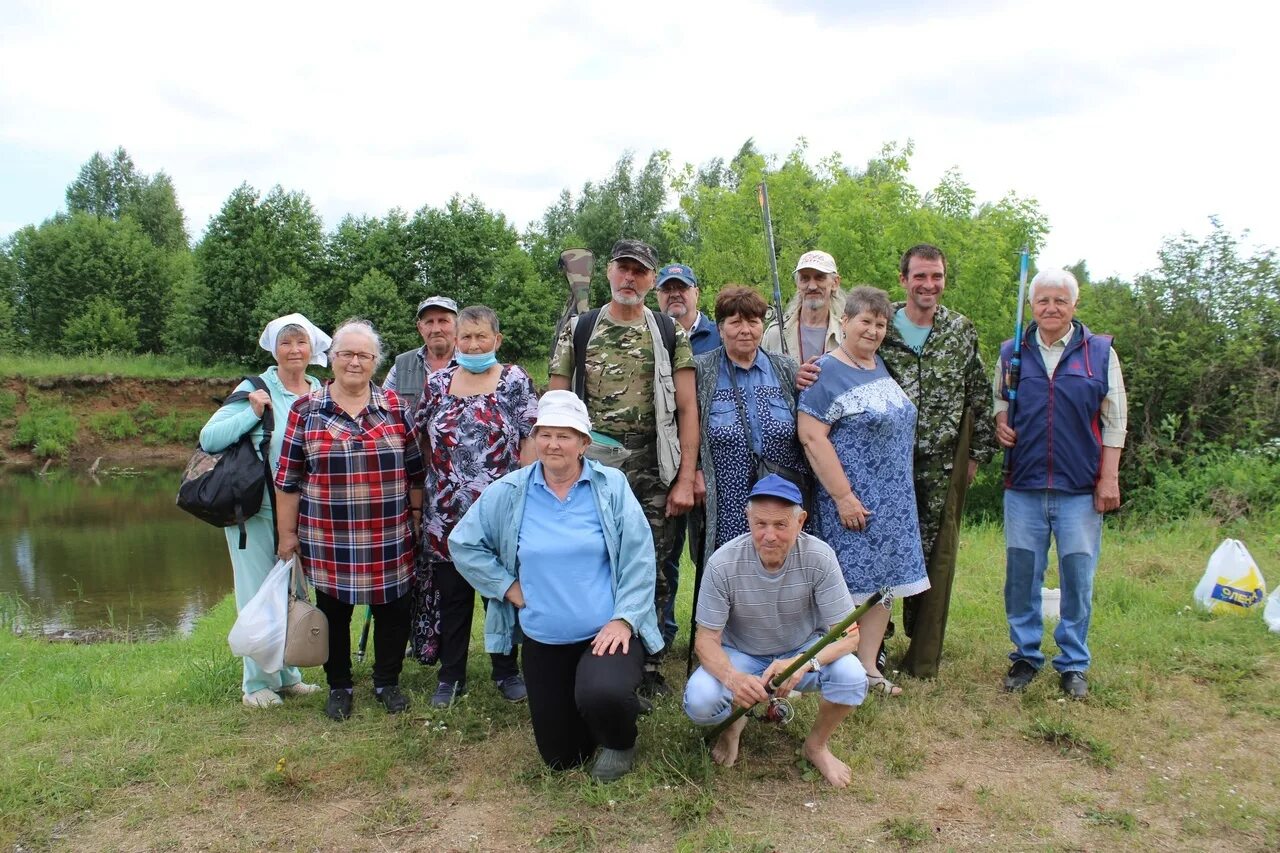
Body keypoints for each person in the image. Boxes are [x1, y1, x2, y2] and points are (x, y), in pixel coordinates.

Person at [449, 391, 660, 782]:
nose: (553, 444)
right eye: (545, 434)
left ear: (584, 443)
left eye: (565, 435)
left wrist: (624, 620)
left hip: (605, 634)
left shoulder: (610, 486)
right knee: (561, 757)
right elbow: (462, 542)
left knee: (603, 694)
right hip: (544, 638)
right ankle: (606, 701)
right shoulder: (511, 491)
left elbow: (639, 557)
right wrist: (506, 585)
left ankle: (619, 735)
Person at [548, 239, 698, 697]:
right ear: (610, 271)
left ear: (651, 281)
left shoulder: (670, 332)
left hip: (653, 464)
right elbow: (555, 405)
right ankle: (592, 653)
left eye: (639, 271)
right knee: (593, 558)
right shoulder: (581, 327)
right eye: (622, 269)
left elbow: (688, 410)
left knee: (652, 564)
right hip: (592, 464)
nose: (629, 278)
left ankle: (648, 664)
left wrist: (686, 478)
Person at [275, 319, 425, 721]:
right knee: (334, 614)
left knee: (394, 611)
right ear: (331, 358)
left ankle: (386, 681)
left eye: (363, 355)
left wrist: (414, 517)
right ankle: (339, 685)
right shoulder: (305, 411)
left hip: (389, 536)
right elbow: (287, 480)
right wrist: (287, 536)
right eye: (346, 354)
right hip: (328, 538)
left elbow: (416, 473)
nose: (354, 362)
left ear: (375, 362)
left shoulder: (396, 408)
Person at [683, 475, 867, 788]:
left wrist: (805, 663)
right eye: (760, 524)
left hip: (802, 650)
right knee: (700, 701)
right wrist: (735, 680)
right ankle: (733, 726)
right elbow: (706, 640)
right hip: (742, 653)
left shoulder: (819, 557)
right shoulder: (722, 562)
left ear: (801, 521)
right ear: (748, 519)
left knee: (852, 676)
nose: (769, 536)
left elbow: (849, 635)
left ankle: (816, 746)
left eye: (781, 525)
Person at [995, 268, 1126, 700]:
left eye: (1060, 301)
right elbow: (999, 400)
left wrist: (1108, 478)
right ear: (1032, 306)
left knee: (1077, 575)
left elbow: (1115, 422)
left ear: (1074, 304)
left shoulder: (1101, 353)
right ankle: (1026, 655)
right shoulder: (1013, 351)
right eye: (1043, 301)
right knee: (1022, 575)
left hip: (1080, 489)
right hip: (1024, 484)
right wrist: (1000, 423)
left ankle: (1072, 663)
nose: (1051, 308)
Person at [797, 287, 929, 696]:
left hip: (891, 503)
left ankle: (869, 667)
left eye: (880, 323)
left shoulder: (878, 365)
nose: (872, 330)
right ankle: (834, 671)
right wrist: (843, 497)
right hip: (852, 501)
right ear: (845, 322)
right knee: (846, 587)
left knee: (882, 585)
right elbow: (812, 435)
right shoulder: (826, 372)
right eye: (865, 321)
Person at [878, 244, 997, 679]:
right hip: (886, 463)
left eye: (937, 277)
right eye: (920, 276)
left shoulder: (960, 330)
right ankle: (876, 644)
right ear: (903, 279)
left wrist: (978, 455)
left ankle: (923, 651)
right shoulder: (880, 324)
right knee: (885, 550)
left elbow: (978, 393)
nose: (929, 285)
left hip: (942, 465)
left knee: (935, 554)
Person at [199, 313, 330, 709]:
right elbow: (209, 438)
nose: (294, 350)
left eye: (301, 342)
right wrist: (251, 413)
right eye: (286, 343)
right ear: (274, 349)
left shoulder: (320, 390)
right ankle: (256, 684)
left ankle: (288, 674)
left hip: (304, 509)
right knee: (258, 594)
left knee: (292, 593)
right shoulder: (255, 387)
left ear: (313, 349)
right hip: (256, 511)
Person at [414, 305, 538, 707]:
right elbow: (421, 439)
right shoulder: (438, 382)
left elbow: (531, 438)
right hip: (446, 513)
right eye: (465, 337)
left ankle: (506, 670)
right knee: (452, 595)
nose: (472, 344)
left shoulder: (514, 380)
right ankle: (452, 676)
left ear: (496, 340)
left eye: (480, 336)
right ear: (456, 341)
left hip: (500, 512)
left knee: (501, 592)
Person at [692, 286, 804, 566]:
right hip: (728, 496)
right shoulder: (700, 371)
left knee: (784, 568)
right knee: (731, 572)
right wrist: (694, 470)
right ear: (720, 328)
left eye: (753, 322)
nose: (745, 330)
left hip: (783, 493)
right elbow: (686, 426)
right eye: (735, 322)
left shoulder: (786, 369)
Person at [655, 263, 721, 649]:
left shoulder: (719, 335)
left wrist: (696, 469)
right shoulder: (650, 333)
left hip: (713, 464)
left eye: (682, 288)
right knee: (663, 555)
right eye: (667, 289)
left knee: (712, 556)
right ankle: (661, 637)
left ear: (697, 292)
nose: (675, 295)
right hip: (662, 464)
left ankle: (713, 635)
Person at [761, 250, 845, 362]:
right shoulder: (775, 333)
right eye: (805, 278)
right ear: (797, 284)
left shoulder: (846, 334)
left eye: (820, 278)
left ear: (835, 283)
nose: (812, 286)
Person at [383, 295, 458, 410]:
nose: (436, 329)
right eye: (429, 322)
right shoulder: (401, 367)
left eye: (443, 321)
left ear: (457, 325)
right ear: (420, 328)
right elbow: (382, 410)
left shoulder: (473, 366)